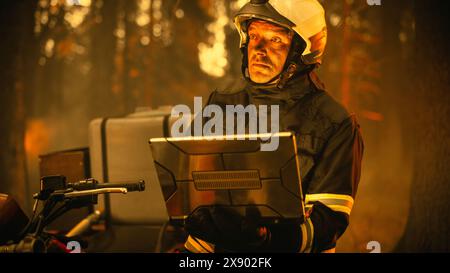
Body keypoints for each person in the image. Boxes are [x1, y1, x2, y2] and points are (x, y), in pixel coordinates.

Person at [183, 0, 364, 253]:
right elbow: (191, 189)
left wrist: (267, 238)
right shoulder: (221, 103)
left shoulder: (336, 123)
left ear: (303, 51)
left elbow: (329, 222)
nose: (258, 49)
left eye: (275, 40)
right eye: (254, 35)